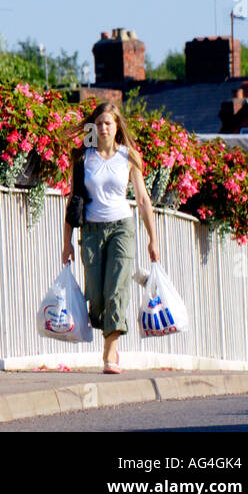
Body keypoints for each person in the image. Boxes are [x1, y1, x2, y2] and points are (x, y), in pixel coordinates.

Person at [61, 101, 160, 373]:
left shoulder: (129, 157)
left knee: (116, 290)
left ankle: (109, 353)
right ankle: (107, 336)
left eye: (108, 123)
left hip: (121, 229)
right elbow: (73, 200)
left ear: (117, 127)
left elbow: (143, 199)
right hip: (92, 231)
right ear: (93, 127)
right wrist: (67, 242)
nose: (103, 127)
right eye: (99, 123)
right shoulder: (83, 158)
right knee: (96, 295)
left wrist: (153, 239)